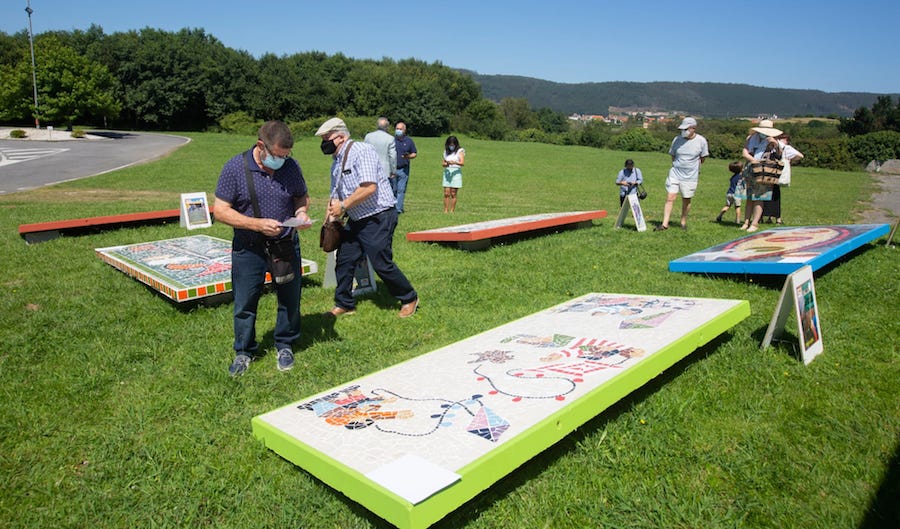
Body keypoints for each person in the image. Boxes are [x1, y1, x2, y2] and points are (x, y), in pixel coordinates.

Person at [213, 120, 311, 377]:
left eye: (287, 155)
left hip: (285, 245)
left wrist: (301, 213)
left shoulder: (290, 166)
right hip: (249, 247)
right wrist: (256, 225)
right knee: (245, 302)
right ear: (261, 146)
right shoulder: (235, 167)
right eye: (278, 155)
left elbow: (300, 194)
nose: (283, 160)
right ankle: (244, 351)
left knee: (289, 298)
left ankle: (285, 343)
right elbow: (220, 211)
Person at [315, 117, 419, 318]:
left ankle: (409, 297)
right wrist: (328, 221)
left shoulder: (362, 151)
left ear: (341, 137)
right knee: (345, 260)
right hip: (356, 219)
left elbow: (369, 187)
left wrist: (343, 206)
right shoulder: (336, 163)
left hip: (378, 216)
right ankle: (344, 303)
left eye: (326, 138)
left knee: (381, 262)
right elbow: (335, 195)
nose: (324, 143)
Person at [655, 117, 709, 231]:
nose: (683, 131)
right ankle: (665, 224)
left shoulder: (701, 141)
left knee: (686, 199)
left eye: (686, 129)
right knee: (670, 197)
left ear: (693, 128)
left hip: (690, 176)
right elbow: (673, 155)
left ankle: (683, 221)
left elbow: (702, 158)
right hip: (675, 173)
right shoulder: (676, 140)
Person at [740, 119, 783, 232]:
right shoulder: (751, 138)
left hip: (764, 171)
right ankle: (746, 221)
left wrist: (775, 144)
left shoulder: (774, 141)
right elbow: (745, 152)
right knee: (748, 197)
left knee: (759, 197)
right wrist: (753, 160)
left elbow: (779, 154)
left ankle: (755, 223)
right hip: (751, 168)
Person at [762, 133, 804, 224]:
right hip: (777, 173)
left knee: (766, 194)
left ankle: (768, 216)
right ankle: (777, 218)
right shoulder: (786, 147)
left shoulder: (771, 146)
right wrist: (790, 160)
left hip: (769, 172)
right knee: (775, 195)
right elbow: (800, 156)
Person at [364, 117, 398, 194]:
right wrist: (393, 171)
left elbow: (364, 153)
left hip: (369, 169)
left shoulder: (368, 136)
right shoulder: (390, 138)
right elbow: (392, 156)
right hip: (384, 170)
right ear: (387, 127)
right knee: (383, 193)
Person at [393, 121, 417, 213]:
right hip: (392, 169)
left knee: (401, 190)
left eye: (400, 129)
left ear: (404, 130)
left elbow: (414, 153)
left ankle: (398, 209)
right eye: (397, 129)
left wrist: (408, 156)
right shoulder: (391, 140)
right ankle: (392, 208)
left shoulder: (409, 141)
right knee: (393, 190)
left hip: (404, 169)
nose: (398, 131)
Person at [442, 136, 465, 213]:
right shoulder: (446, 151)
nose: (451, 146)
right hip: (448, 172)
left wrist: (454, 162)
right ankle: (445, 210)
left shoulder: (460, 151)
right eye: (450, 144)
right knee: (446, 193)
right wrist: (446, 164)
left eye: (452, 145)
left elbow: (462, 163)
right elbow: (443, 163)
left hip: (456, 172)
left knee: (453, 193)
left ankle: (452, 210)